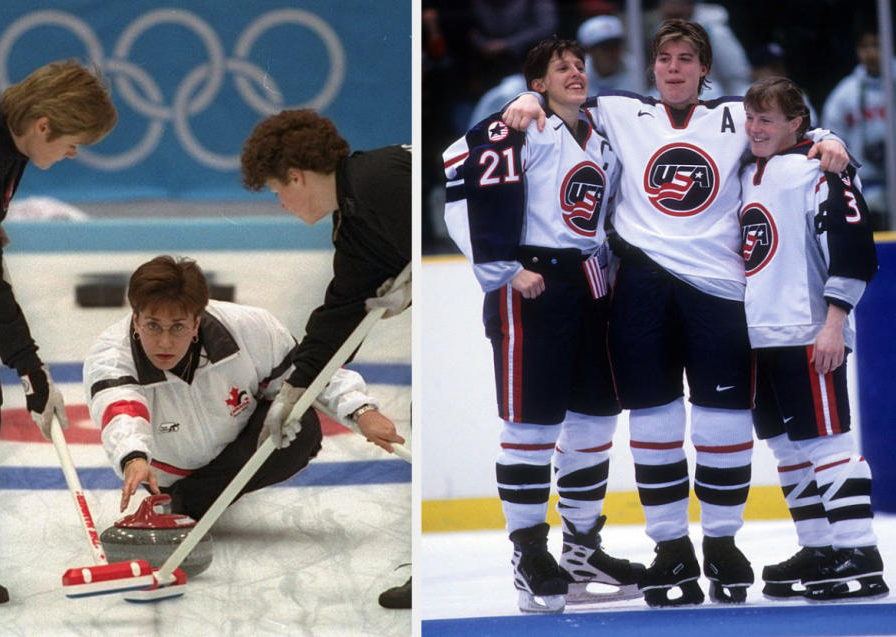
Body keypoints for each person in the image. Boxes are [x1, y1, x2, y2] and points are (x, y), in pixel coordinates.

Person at [501, 19, 851, 607]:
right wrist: (523, 97)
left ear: (704, 68)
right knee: (654, 424)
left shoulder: (739, 114)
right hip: (640, 287)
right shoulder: (618, 109)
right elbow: (559, 96)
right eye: (665, 57)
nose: (673, 67)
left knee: (723, 423)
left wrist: (828, 137)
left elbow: (790, 124)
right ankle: (671, 548)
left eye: (686, 58)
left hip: (719, 291)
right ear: (652, 66)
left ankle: (721, 543)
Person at [444, 37, 644, 614]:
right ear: (537, 84)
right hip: (533, 284)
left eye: (580, 66)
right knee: (531, 426)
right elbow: (460, 179)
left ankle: (581, 551)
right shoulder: (516, 128)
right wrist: (503, 269)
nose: (577, 73)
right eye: (562, 68)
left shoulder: (602, 136)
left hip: (593, 286)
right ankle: (529, 553)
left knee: (593, 423)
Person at [0, 60, 115, 605]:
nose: (73, 153)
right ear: (44, 124)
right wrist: (30, 364)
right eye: (73, 143)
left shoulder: (2, 136)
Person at [239, 110, 411, 608]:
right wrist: (295, 391)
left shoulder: (379, 180)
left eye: (277, 190)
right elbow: (341, 312)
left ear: (296, 176)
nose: (281, 202)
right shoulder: (354, 218)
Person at [84, 255, 395, 522]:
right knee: (189, 498)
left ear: (196, 322)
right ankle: (188, 500)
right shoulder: (112, 355)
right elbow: (121, 408)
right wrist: (133, 457)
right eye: (153, 325)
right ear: (136, 320)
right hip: (169, 475)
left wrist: (361, 409)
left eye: (177, 326)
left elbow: (307, 373)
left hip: (240, 445)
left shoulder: (250, 328)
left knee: (301, 424)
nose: (165, 341)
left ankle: (192, 502)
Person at [740, 76, 887, 603]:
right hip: (761, 336)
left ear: (796, 123)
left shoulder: (820, 171)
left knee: (827, 441)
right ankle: (819, 546)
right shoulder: (745, 171)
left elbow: (853, 251)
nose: (756, 129)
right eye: (751, 118)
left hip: (808, 331)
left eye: (768, 120)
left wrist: (833, 324)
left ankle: (859, 549)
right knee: (788, 446)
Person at [822, 21, 893, 230]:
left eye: (876, 45)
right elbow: (831, 137)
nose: (871, 52)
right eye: (864, 47)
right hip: (866, 185)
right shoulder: (845, 93)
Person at [577, 14, 635, 93]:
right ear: (589, 51)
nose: (612, 52)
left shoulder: (634, 67)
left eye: (616, 45)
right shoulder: (577, 74)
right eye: (605, 47)